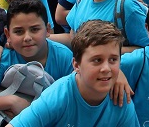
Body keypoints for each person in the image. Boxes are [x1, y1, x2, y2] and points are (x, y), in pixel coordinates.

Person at [8, 20, 139, 126]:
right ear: (76, 65)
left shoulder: (121, 99)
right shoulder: (58, 96)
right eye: (97, 60)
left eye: (113, 60)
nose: (106, 68)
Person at [0, 0, 73, 118]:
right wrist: (12, 101)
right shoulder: (1, 59)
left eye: (34, 29)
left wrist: (31, 110)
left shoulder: (64, 57)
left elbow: (73, 101)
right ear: (8, 34)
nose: (27, 38)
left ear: (47, 30)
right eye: (19, 31)